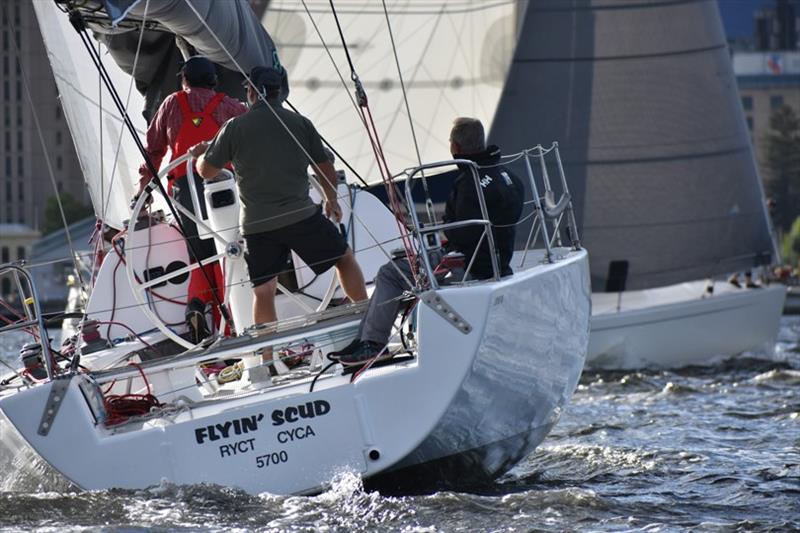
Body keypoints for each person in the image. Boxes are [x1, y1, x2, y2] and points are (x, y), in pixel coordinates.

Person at [191, 66, 368, 375]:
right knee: (344, 259)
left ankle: (268, 361)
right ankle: (366, 322)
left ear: (250, 92)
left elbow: (206, 171)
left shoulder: (234, 128)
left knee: (263, 291)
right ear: (279, 92)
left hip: (259, 226)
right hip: (300, 216)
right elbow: (324, 167)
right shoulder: (299, 123)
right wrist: (330, 199)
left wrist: (201, 154)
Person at [332, 117, 524, 364]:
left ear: (455, 147)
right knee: (407, 267)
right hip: (498, 260)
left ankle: (372, 343)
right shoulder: (508, 176)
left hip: (469, 264)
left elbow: (461, 234)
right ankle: (367, 339)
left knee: (391, 273)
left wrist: (441, 236)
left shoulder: (468, 184)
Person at [138, 56, 247, 342]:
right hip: (224, 186)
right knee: (228, 250)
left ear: (183, 81)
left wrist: (143, 190)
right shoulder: (229, 105)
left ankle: (198, 305)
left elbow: (154, 151)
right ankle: (232, 317)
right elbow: (250, 136)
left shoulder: (171, 104)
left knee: (199, 254)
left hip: (185, 189)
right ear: (214, 81)